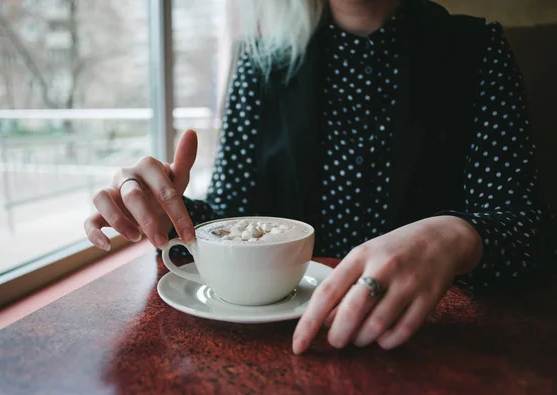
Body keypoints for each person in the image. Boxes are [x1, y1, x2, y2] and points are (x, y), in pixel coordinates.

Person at [84, 0, 551, 354]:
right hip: (276, 348)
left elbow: (530, 229)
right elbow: (235, 219)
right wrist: (165, 211)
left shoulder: (475, 50)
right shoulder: (263, 59)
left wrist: (454, 235)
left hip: (428, 344)